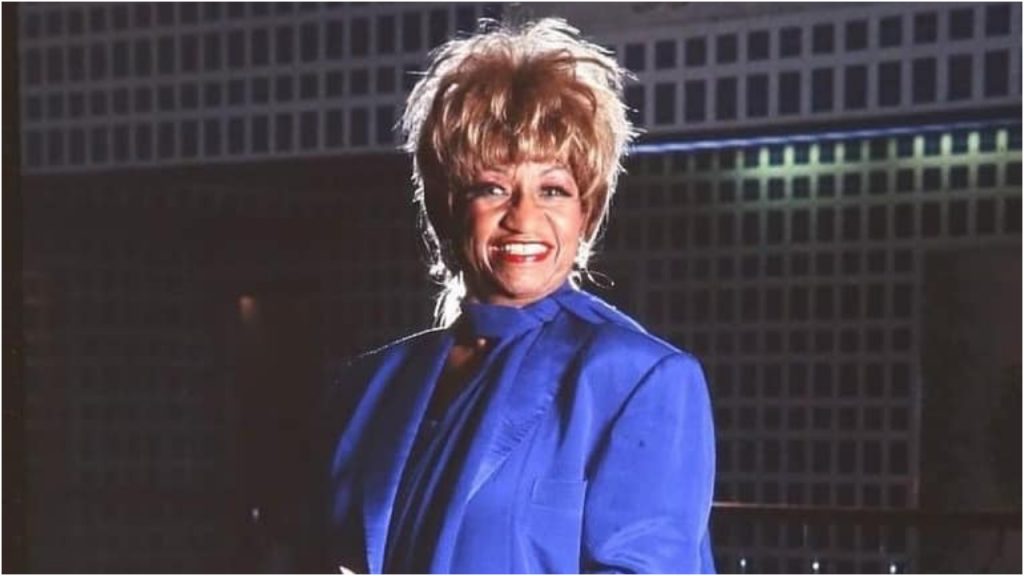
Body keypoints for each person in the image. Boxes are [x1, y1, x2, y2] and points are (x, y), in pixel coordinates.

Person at [318, 18, 716, 574]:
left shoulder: (641, 380)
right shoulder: (371, 384)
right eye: (493, 188)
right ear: (447, 208)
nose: (523, 217)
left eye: (553, 189)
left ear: (587, 214)